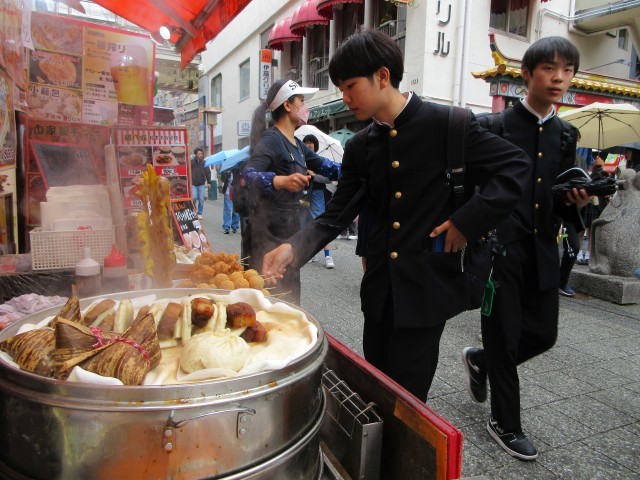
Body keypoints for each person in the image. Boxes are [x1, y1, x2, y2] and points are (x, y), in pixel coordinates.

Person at [261, 30, 530, 402]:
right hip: (379, 293)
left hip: (426, 291)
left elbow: (516, 167)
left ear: (383, 76)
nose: (345, 97)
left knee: (408, 400)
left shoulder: (449, 124)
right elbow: (336, 215)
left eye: (351, 86)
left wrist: (465, 222)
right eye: (341, 88)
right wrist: (292, 248)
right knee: (375, 388)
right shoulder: (361, 146)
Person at [461, 37, 590, 461]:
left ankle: (481, 361)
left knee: (544, 334)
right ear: (526, 74)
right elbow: (471, 187)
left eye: (567, 70)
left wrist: (577, 202)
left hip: (543, 248)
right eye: (549, 68)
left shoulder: (566, 134)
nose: (559, 78)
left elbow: (559, 195)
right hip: (499, 250)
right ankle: (505, 422)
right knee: (504, 336)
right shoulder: (492, 126)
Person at [240, 79, 341, 304]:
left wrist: (361, 169)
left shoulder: (297, 144)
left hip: (289, 232)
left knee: (289, 299)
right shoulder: (272, 139)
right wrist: (279, 181)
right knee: (267, 302)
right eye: (301, 101)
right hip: (266, 235)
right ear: (287, 105)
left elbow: (327, 167)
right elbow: (247, 177)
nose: (305, 107)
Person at [302, 133, 335, 269]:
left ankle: (327, 256)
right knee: (305, 223)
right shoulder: (299, 160)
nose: (308, 144)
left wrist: (314, 175)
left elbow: (328, 179)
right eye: (306, 142)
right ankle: (311, 253)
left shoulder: (320, 161)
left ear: (315, 145)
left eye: (311, 142)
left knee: (321, 223)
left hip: (317, 194)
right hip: (303, 196)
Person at [190, 147, 211, 219]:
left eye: (201, 153)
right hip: (193, 183)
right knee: (194, 197)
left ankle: (200, 213)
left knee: (201, 199)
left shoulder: (204, 163)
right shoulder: (192, 162)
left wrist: (209, 182)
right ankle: (194, 211)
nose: (200, 155)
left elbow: (208, 172)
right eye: (199, 153)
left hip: (201, 183)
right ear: (196, 154)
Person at [220, 170, 240, 234]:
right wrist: (226, 173)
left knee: (236, 210)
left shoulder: (239, 169)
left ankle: (235, 226)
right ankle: (226, 226)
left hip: (237, 192)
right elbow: (222, 179)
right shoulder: (226, 169)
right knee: (227, 209)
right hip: (228, 191)